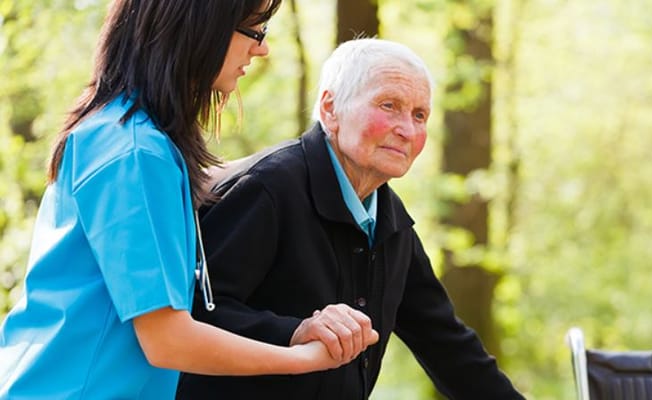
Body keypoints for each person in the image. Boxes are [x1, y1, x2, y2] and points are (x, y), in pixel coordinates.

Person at [0, 1, 377, 398]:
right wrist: (304, 359)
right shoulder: (135, 153)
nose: (261, 48)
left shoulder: (130, 138)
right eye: (253, 29)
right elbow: (167, 340)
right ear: (197, 26)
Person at [176, 38, 526, 399]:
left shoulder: (392, 221)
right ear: (330, 109)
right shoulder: (267, 188)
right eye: (389, 106)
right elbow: (191, 318)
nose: (407, 129)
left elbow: (448, 346)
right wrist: (295, 332)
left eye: (419, 115)